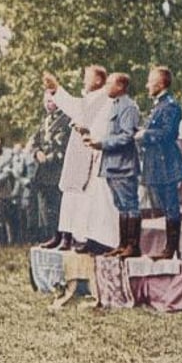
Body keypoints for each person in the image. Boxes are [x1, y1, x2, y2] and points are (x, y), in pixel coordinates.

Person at [42, 65, 119, 253]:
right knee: (71, 195)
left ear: (99, 80)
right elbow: (74, 106)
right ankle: (67, 236)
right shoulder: (89, 99)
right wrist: (55, 90)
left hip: (94, 154)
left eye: (87, 77)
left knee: (91, 200)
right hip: (79, 153)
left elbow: (78, 111)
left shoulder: (104, 100)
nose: (83, 80)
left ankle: (88, 239)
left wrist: (58, 90)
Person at [83, 72, 143, 258]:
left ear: (120, 87)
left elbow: (127, 136)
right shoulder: (115, 105)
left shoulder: (128, 107)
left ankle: (132, 246)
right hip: (112, 165)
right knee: (121, 205)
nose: (106, 87)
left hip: (123, 166)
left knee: (129, 205)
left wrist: (101, 143)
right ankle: (123, 244)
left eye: (110, 84)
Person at [136, 66, 182, 260]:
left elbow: (169, 133)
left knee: (171, 206)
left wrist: (145, 134)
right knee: (166, 206)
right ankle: (170, 248)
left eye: (150, 81)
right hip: (157, 163)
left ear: (160, 83)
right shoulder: (159, 105)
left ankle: (171, 249)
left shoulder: (170, 105)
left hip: (166, 163)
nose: (147, 85)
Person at [31, 94, 71, 245]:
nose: (49, 104)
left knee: (61, 204)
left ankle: (66, 237)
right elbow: (35, 141)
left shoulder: (66, 120)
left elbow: (66, 144)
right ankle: (55, 235)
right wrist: (37, 152)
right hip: (44, 170)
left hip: (58, 168)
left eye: (52, 100)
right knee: (48, 207)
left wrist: (51, 156)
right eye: (46, 101)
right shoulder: (44, 121)